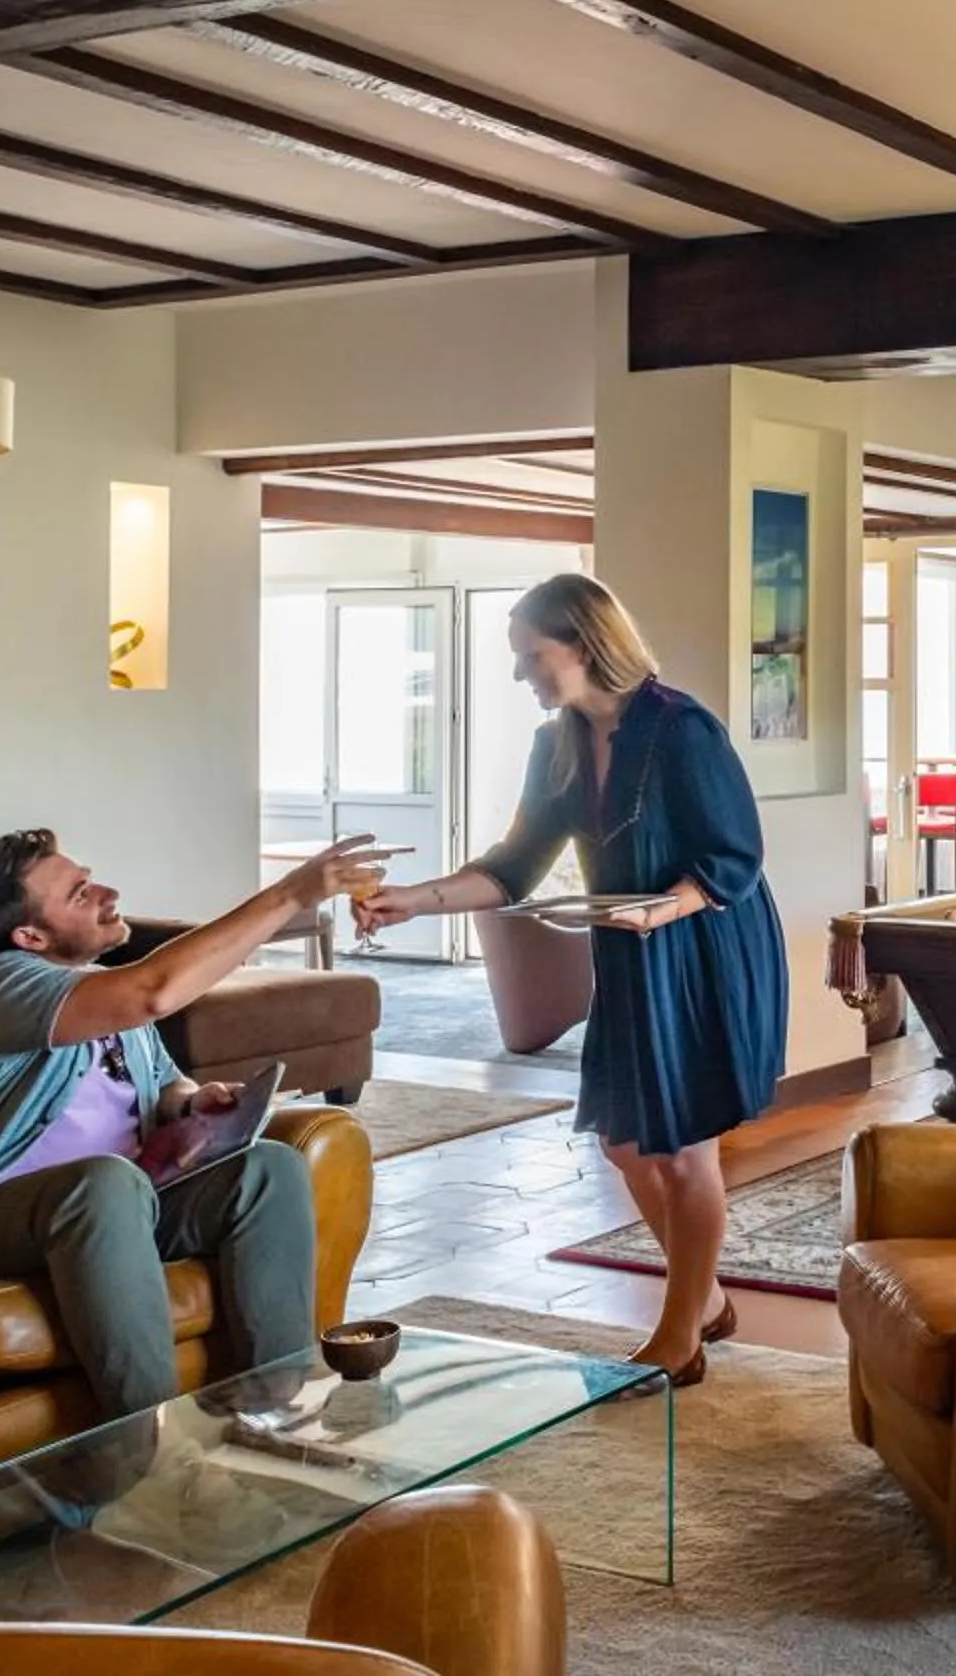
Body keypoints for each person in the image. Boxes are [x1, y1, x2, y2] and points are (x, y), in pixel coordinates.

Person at [357, 574, 787, 1386]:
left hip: (703, 952)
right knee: (626, 1145)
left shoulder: (682, 729)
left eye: (530, 656)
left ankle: (678, 1335)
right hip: (629, 953)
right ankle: (711, 1300)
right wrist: (414, 901)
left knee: (687, 1151)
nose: (521, 674)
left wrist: (663, 912)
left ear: (584, 645)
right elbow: (516, 867)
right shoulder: (554, 745)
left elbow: (737, 855)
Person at [0, 830, 390, 1420]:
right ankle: (154, 1445)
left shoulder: (95, 988)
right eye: (79, 893)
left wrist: (194, 1104)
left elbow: (162, 1082)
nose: (107, 893)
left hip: (114, 1212)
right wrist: (295, 892)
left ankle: (278, 1410)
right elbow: (153, 992)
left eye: (90, 878)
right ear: (29, 937)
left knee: (268, 1169)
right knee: (105, 1182)